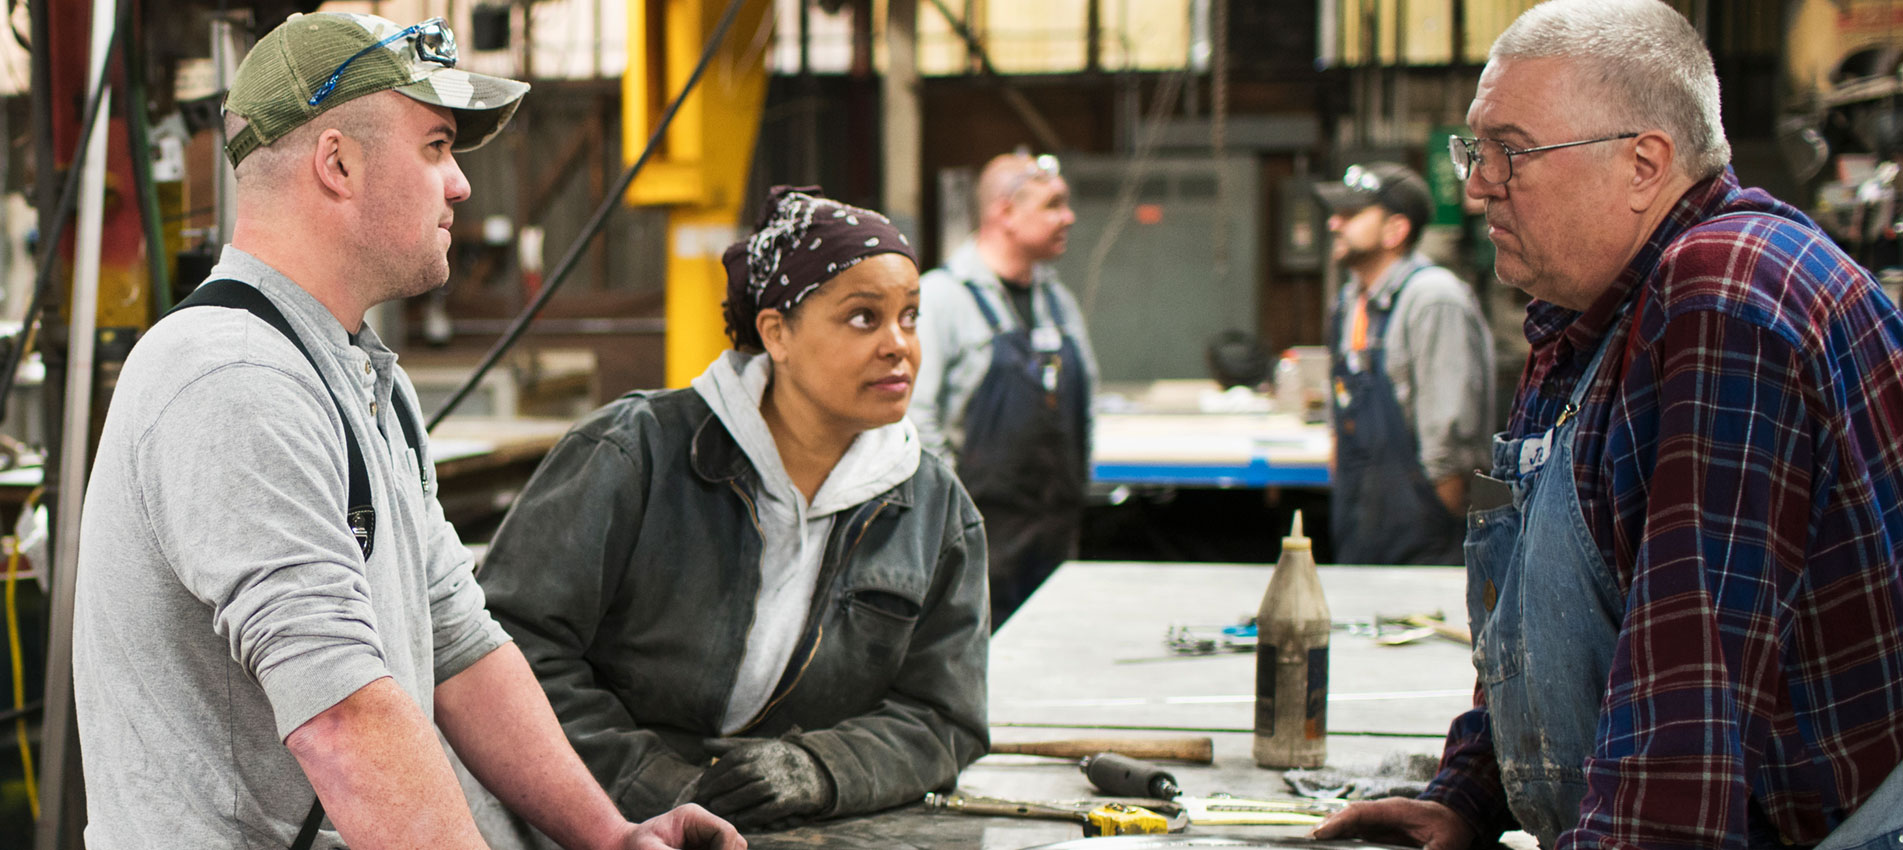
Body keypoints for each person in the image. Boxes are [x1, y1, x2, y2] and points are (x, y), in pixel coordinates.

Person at [70, 13, 742, 849]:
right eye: (435, 146)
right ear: (338, 164)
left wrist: (609, 835)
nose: (459, 184)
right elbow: (344, 721)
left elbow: (459, 645)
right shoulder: (232, 378)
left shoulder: (357, 374)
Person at [1314, 1, 1903, 849]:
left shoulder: (1726, 292)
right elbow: (1528, 613)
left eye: (1508, 151)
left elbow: (1689, 689)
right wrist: (1468, 796)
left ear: (1642, 163)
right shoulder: (1581, 324)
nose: (1477, 183)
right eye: (1473, 149)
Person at [475, 186, 989, 836]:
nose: (899, 345)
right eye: (863, 317)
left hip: (783, 832)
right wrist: (661, 786)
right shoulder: (634, 455)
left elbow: (945, 714)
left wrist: (819, 769)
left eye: (909, 317)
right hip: (585, 823)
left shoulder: (934, 508)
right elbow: (507, 649)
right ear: (777, 332)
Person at [909, 151, 1097, 629]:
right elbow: (916, 417)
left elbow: (1085, 404)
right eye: (1053, 204)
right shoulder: (942, 298)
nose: (1068, 217)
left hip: (1055, 532)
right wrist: (955, 519)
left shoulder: (1058, 301)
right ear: (1005, 212)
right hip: (979, 540)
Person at [1315, 162, 1493, 565]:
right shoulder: (1349, 302)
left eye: (1352, 215)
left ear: (1396, 230)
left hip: (1422, 539)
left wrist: (1432, 527)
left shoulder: (1432, 300)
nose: (1334, 224)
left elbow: (1449, 446)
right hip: (1360, 529)